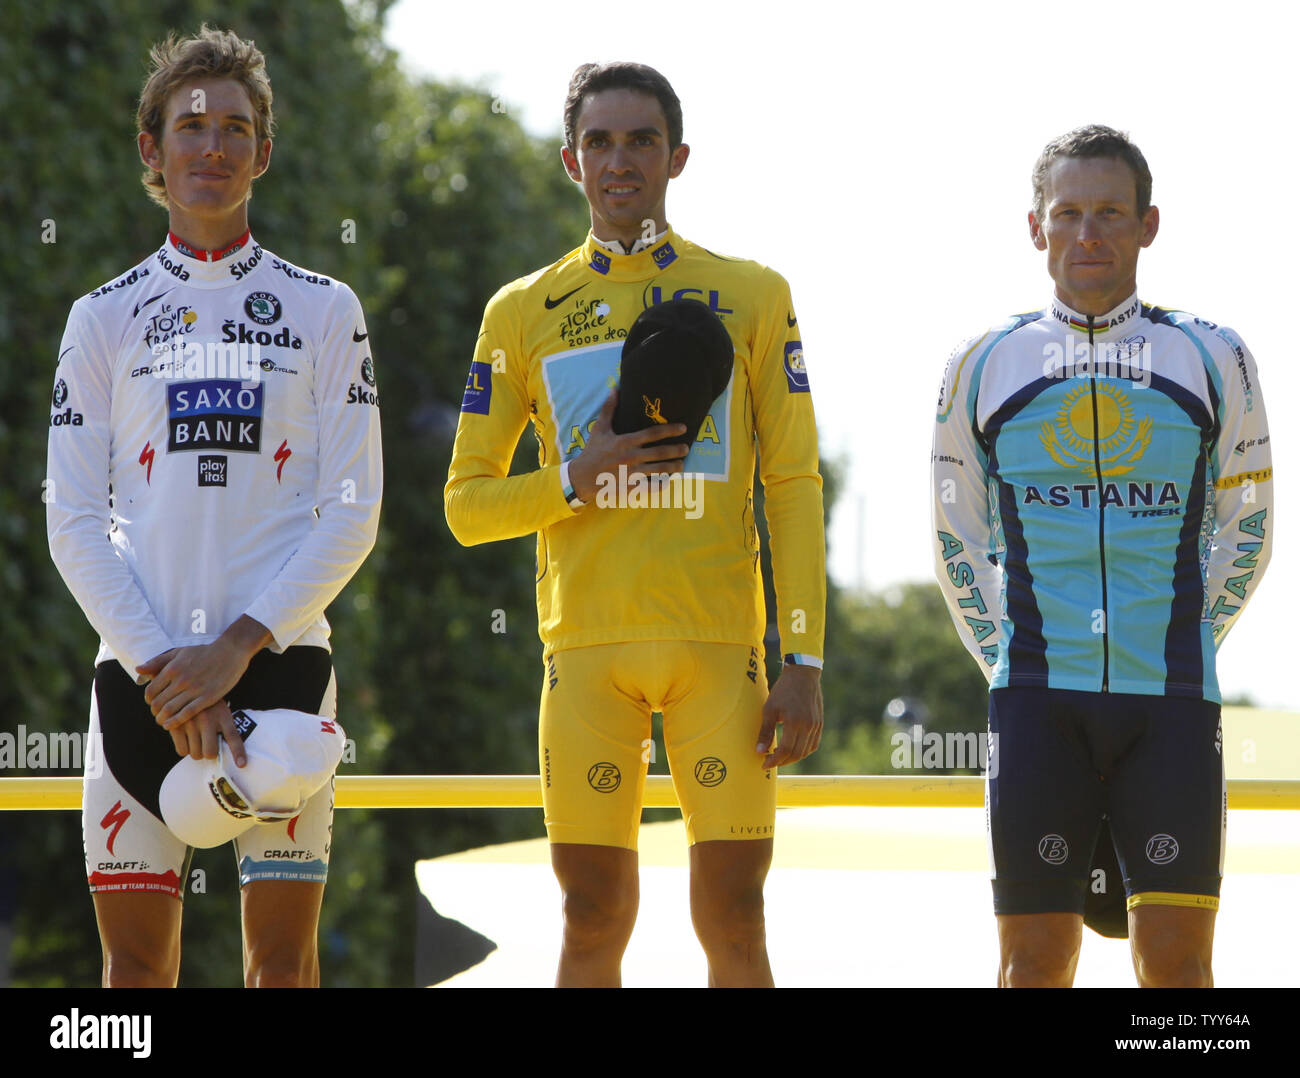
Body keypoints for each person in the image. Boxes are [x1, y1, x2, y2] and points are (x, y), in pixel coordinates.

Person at [444, 61, 825, 987]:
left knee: (737, 918)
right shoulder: (520, 310)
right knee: (589, 920)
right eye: (601, 142)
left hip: (719, 649)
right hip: (585, 654)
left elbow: (793, 482)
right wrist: (576, 478)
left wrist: (805, 657)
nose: (622, 161)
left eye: (642, 140)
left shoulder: (755, 292)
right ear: (571, 160)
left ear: (678, 156)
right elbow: (465, 507)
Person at [45, 25, 382, 987]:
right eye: (190, 125)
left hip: (280, 673)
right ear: (153, 149)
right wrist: (167, 672)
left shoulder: (326, 309)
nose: (213, 145)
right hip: (140, 682)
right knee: (134, 976)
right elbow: (71, 521)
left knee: (282, 966)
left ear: (263, 153)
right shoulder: (100, 317)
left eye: (236, 127)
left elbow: (353, 512)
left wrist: (232, 650)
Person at [932, 125, 1272, 987]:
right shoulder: (983, 359)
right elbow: (954, 535)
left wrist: (1188, 634)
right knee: (1033, 963)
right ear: (1036, 228)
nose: (1089, 235)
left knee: (1178, 966)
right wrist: (1007, 654)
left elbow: (1251, 525)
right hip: (1038, 700)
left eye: (1110, 214)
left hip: (1172, 703)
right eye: (1069, 214)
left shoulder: (1213, 351)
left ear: (1148, 225)